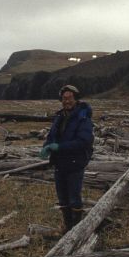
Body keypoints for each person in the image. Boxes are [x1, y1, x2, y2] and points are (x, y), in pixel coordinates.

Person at [39, 85, 94, 233]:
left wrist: (59, 147)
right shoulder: (59, 116)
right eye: (64, 98)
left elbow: (84, 141)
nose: (67, 101)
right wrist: (46, 146)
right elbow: (52, 136)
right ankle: (67, 226)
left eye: (69, 98)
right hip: (60, 162)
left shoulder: (83, 117)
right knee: (62, 197)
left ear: (76, 99)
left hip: (75, 162)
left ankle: (75, 230)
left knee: (74, 198)